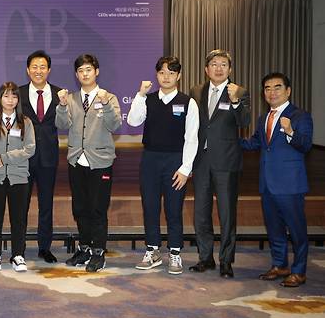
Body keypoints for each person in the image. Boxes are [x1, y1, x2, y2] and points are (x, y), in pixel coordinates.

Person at [127, 56, 199, 275]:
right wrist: (139, 94)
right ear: (156, 75)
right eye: (162, 73)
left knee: (173, 209)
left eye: (171, 73)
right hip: (150, 160)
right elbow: (132, 121)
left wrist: (186, 169)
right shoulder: (147, 99)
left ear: (179, 76)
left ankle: (175, 252)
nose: (166, 77)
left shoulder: (188, 102)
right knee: (150, 207)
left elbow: (192, 138)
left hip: (175, 162)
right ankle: (153, 250)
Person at [241, 72, 313, 287]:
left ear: (288, 91)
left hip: (290, 184)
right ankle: (280, 265)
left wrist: (290, 131)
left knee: (297, 230)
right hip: (267, 184)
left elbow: (305, 145)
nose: (272, 92)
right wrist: (226, 141)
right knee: (274, 229)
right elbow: (255, 144)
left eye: (277, 87)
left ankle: (299, 271)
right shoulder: (265, 118)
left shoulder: (300, 116)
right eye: (267, 88)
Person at [56, 54, 122, 272]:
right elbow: (61, 123)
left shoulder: (108, 97)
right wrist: (63, 105)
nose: (85, 74)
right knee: (80, 208)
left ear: (97, 71)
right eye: (81, 71)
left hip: (100, 161)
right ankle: (84, 248)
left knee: (98, 208)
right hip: (77, 160)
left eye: (88, 69)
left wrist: (105, 104)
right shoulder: (72, 98)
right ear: (76, 75)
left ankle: (98, 252)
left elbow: (115, 125)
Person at [189, 49, 251, 278]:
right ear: (207, 69)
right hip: (201, 161)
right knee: (201, 214)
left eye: (223, 64)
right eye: (214, 64)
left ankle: (226, 260)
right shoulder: (196, 91)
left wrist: (235, 101)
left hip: (226, 162)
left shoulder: (239, 91)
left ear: (230, 69)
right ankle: (206, 258)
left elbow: (244, 121)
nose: (218, 68)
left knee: (227, 214)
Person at [0, 82, 36, 272]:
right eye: (6, 96)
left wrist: (6, 158)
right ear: (0, 98)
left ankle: (18, 255)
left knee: (19, 218)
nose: (10, 100)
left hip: (18, 176)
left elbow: (30, 148)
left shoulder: (26, 122)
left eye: (14, 96)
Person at [19, 50, 61, 263]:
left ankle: (45, 247)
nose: (38, 71)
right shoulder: (17, 94)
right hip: (23, 158)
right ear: (28, 70)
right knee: (21, 204)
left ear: (49, 70)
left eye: (42, 67)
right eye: (34, 67)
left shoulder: (60, 94)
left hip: (48, 158)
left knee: (46, 204)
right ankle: (20, 248)